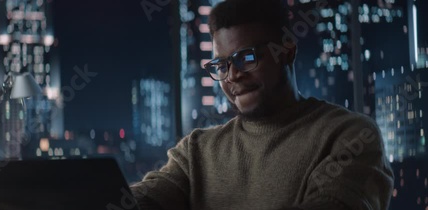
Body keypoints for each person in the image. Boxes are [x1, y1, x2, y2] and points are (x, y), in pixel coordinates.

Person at [130, 0, 394, 209]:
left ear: (287, 51)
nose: (233, 75)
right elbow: (146, 198)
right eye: (222, 65)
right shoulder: (197, 151)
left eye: (246, 57)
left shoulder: (349, 135)